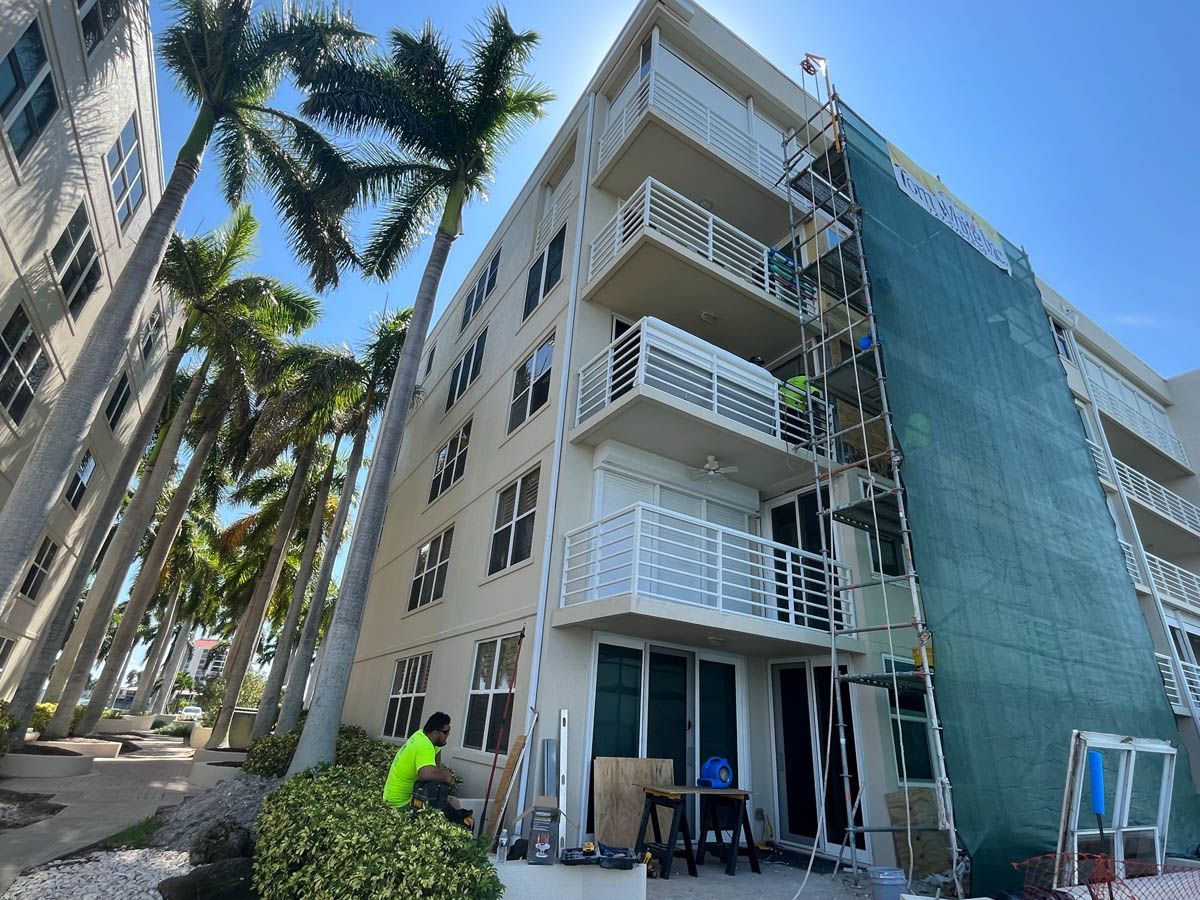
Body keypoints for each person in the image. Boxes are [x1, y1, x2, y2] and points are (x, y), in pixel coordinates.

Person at [383, 712, 471, 826]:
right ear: (435, 733)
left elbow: (436, 763)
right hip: (401, 804)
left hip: (395, 796)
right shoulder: (424, 746)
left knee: (450, 802)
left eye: (449, 730)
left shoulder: (422, 735)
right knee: (453, 813)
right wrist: (446, 776)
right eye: (445, 732)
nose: (448, 734)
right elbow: (426, 774)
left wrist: (441, 742)